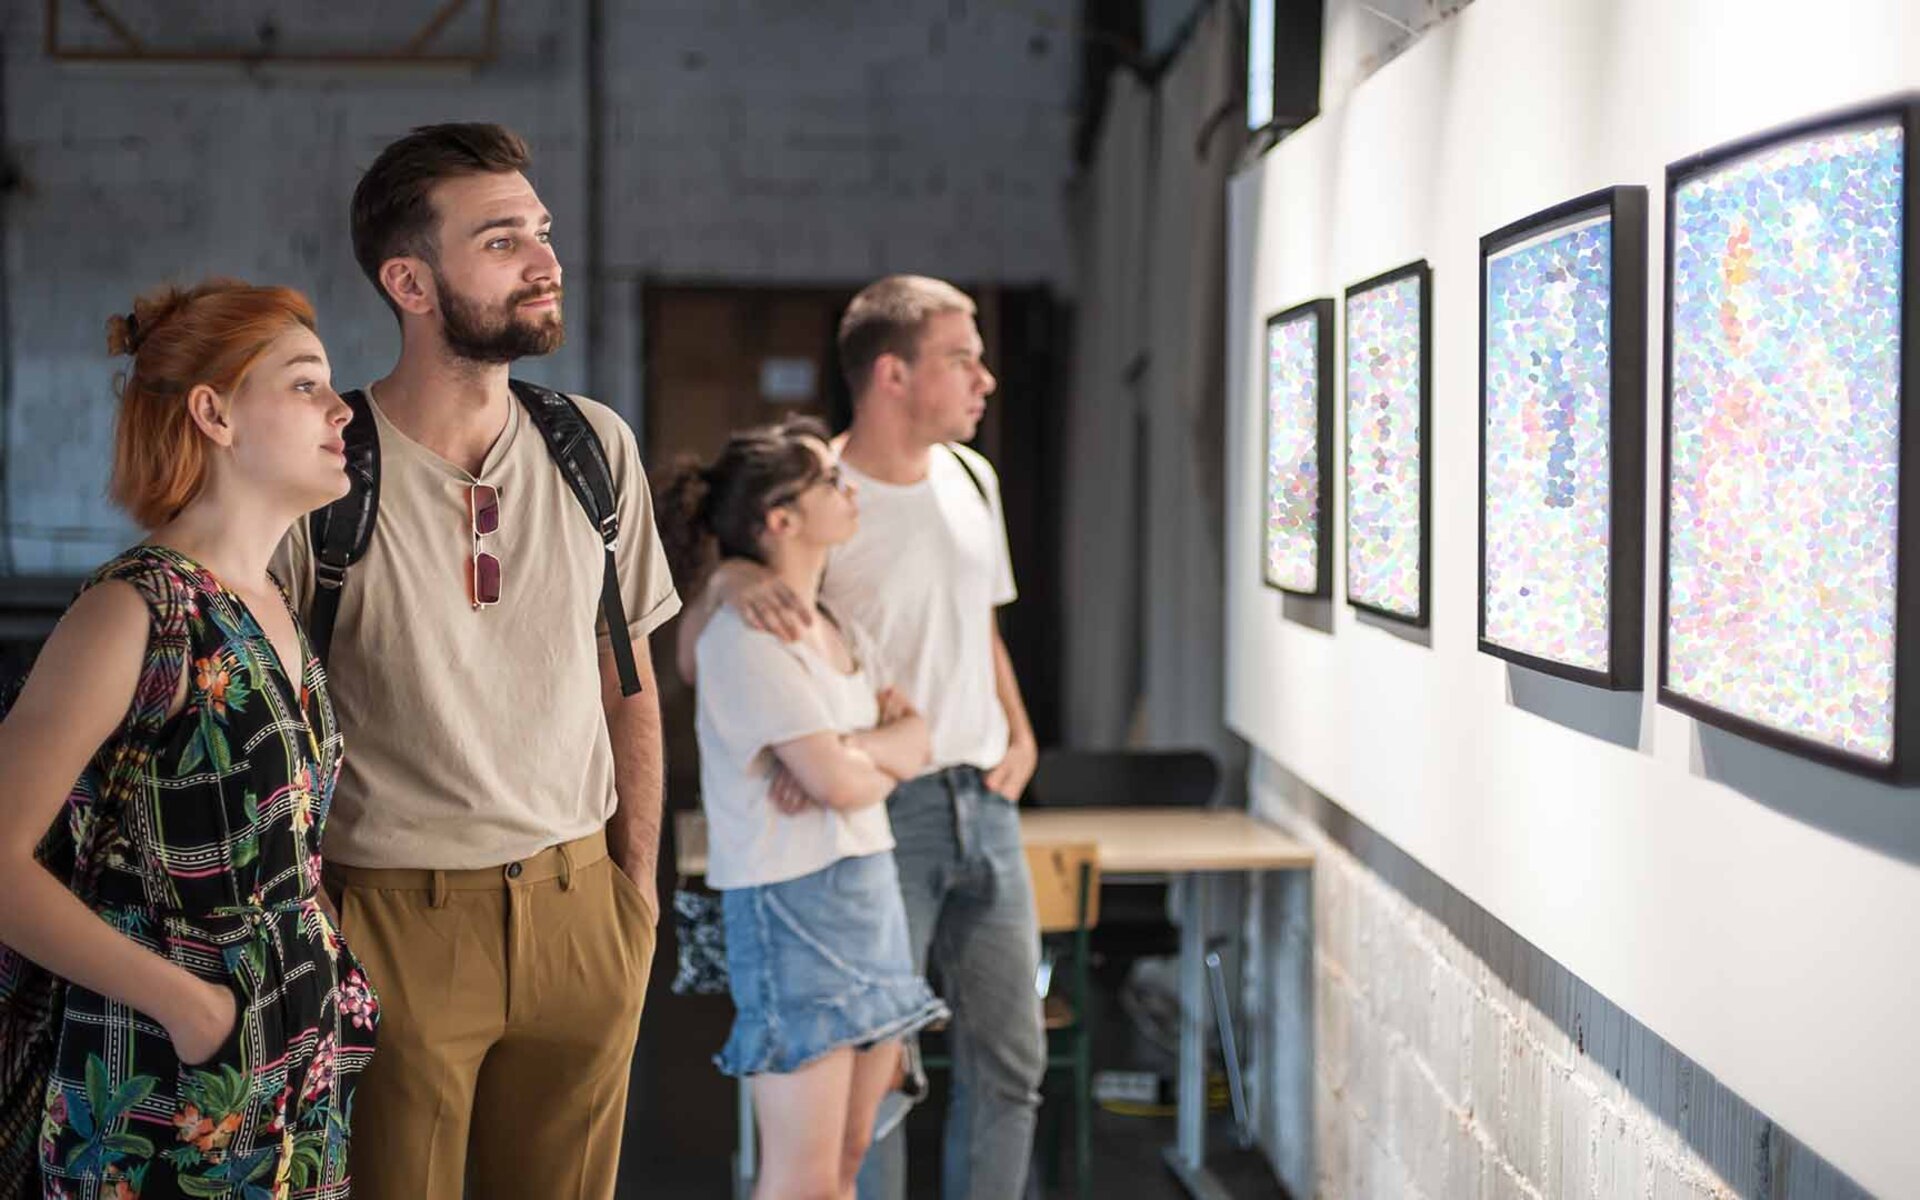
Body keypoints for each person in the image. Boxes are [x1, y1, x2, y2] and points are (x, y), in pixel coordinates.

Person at [270, 123, 679, 1200]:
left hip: (582, 909)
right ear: (409, 280)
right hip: (392, 921)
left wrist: (634, 900)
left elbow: (625, 682)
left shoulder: (596, 447)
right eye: (502, 241)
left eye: (540, 231)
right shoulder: (323, 471)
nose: (546, 260)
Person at [0, 279, 374, 1198]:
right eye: (303, 385)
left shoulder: (273, 602)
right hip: (157, 1093)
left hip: (292, 1080)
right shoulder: (138, 609)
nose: (340, 410)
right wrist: (192, 1007)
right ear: (214, 412)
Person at [677, 275, 1045, 1199]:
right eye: (962, 358)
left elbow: (980, 626)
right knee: (868, 1095)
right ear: (892, 373)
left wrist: (1023, 731)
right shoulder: (820, 493)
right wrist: (724, 581)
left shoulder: (973, 479)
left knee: (1011, 1062)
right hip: (886, 815)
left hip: (984, 797)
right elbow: (705, 642)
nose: (984, 379)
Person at [660, 416, 948, 1199]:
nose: (848, 486)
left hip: (866, 890)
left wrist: (856, 750)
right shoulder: (743, 634)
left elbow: (918, 735)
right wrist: (866, 755)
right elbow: (849, 780)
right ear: (779, 520)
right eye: (828, 479)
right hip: (793, 903)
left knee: (849, 1161)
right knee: (803, 1182)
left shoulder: (834, 622)